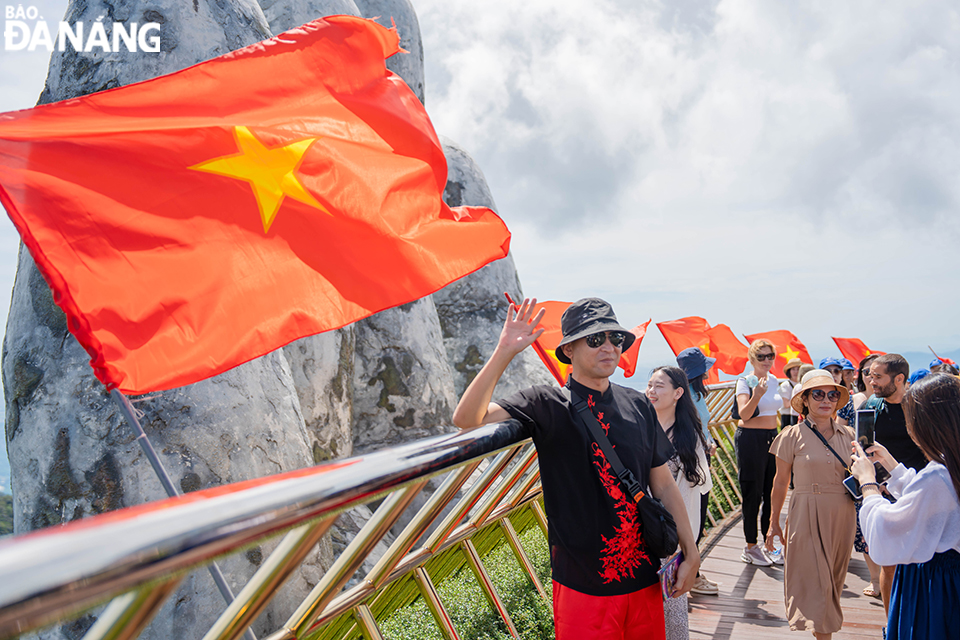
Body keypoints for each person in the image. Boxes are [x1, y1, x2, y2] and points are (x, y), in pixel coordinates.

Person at [452, 298, 700, 640]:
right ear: (568, 349)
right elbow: (466, 420)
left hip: (644, 578)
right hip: (584, 587)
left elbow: (664, 485)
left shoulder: (639, 403)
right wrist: (505, 351)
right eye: (595, 339)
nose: (609, 346)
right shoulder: (546, 404)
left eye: (615, 338)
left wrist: (692, 552)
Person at [850, 373, 960, 639]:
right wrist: (892, 466)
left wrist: (867, 483)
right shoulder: (950, 466)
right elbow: (934, 499)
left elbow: (887, 529)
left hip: (933, 582)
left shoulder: (937, 475)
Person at [765, 369, 855, 639]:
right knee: (816, 583)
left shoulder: (850, 435)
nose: (825, 400)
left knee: (834, 581)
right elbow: (780, 483)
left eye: (831, 394)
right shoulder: (791, 435)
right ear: (805, 399)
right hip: (805, 511)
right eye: (817, 394)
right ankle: (823, 635)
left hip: (843, 513)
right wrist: (773, 523)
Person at [646, 366, 712, 639]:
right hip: (641, 532)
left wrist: (685, 545)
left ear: (678, 393)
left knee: (671, 609)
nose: (651, 391)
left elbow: (692, 492)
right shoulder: (639, 428)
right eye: (649, 385)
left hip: (669, 537)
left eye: (659, 386)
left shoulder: (688, 437)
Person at [865, 353, 926, 612]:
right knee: (888, 563)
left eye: (878, 376)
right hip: (885, 493)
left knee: (920, 561)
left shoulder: (919, 408)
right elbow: (864, 447)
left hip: (920, 491)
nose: (871, 381)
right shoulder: (871, 406)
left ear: (899, 379)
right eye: (870, 375)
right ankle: (892, 624)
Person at [676, 347, 721, 596]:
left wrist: (710, 442)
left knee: (699, 518)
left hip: (703, 460)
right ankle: (690, 575)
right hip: (690, 464)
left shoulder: (698, 394)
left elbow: (703, 427)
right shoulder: (682, 397)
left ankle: (693, 572)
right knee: (692, 520)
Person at [735, 339, 782, 566]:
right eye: (761, 356)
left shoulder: (774, 381)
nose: (766, 360)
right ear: (752, 359)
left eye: (770, 355)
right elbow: (744, 414)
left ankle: (769, 543)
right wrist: (757, 394)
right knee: (753, 493)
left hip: (772, 438)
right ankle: (750, 546)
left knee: (771, 492)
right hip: (750, 440)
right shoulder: (746, 381)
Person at [778, 358, 803, 427]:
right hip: (787, 417)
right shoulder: (785, 385)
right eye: (793, 369)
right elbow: (786, 404)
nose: (796, 372)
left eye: (798, 369)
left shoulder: (802, 384)